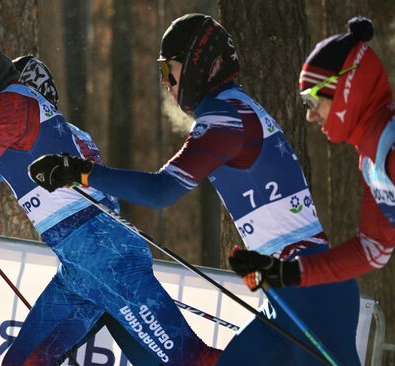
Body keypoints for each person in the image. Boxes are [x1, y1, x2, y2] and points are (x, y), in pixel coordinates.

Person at [0, 20, 221, 366]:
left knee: (192, 359)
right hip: (82, 260)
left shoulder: (6, 105)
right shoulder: (26, 113)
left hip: (100, 253)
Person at [29, 13, 361, 365]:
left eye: (166, 70)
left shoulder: (226, 116)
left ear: (196, 65)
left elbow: (161, 191)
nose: (165, 83)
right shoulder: (237, 108)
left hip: (309, 291)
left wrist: (82, 173)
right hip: (287, 293)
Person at [228, 17, 395, 290]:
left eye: (312, 100)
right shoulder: (373, 158)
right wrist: (283, 272)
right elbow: (373, 248)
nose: (309, 115)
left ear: (346, 90)